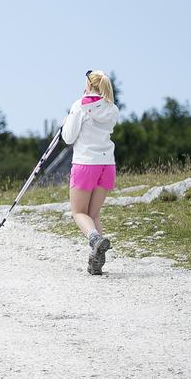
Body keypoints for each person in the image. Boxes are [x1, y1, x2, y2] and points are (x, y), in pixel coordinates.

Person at [61, 69, 120, 275]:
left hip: (86, 163)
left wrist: (68, 120)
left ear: (88, 84)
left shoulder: (80, 106)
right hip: (107, 165)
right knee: (93, 214)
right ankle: (96, 259)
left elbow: (68, 137)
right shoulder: (112, 109)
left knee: (78, 212)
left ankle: (94, 239)